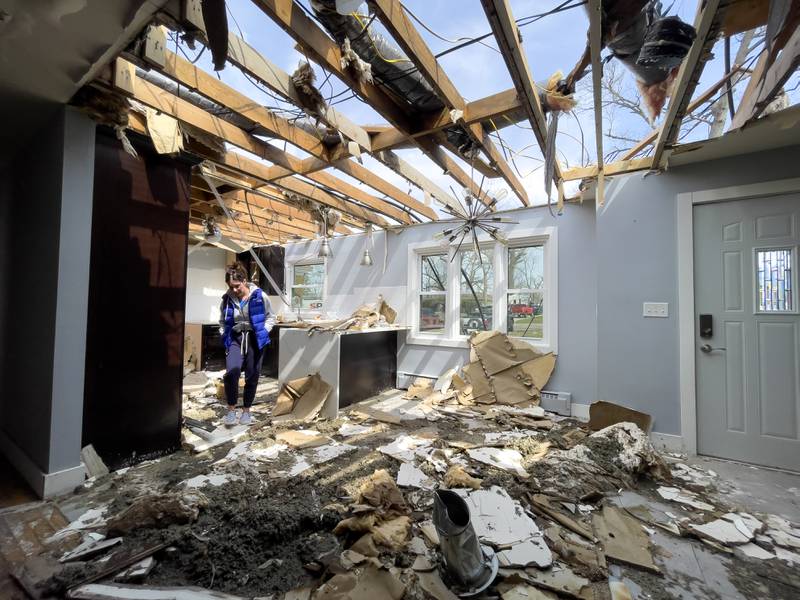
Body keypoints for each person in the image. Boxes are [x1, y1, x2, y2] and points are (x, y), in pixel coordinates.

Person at [219, 262, 275, 425]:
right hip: (235, 338)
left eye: (236, 286)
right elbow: (222, 321)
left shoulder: (259, 296)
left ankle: (246, 411)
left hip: (254, 339)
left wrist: (263, 331)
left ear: (244, 280)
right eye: (230, 286)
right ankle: (231, 410)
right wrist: (224, 335)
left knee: (252, 375)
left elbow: (271, 316)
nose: (234, 290)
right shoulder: (227, 299)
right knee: (232, 374)